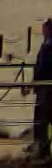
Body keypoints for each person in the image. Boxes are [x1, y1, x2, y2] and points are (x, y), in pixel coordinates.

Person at [33, 18, 52, 158]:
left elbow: (45, 66)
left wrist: (38, 79)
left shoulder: (48, 46)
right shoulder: (46, 44)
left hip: (47, 87)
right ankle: (42, 147)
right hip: (43, 85)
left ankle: (42, 148)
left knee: (42, 118)